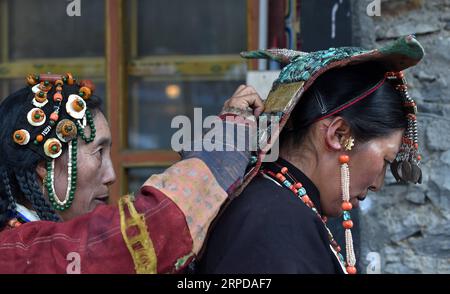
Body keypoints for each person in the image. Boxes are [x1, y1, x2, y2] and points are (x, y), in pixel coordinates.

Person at [196, 35, 425, 274]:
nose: (378, 184)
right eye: (386, 160)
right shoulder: (277, 222)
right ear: (339, 134)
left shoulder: (272, 208)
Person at [0, 73, 264, 273]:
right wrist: (225, 144)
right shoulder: (15, 254)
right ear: (45, 166)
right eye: (98, 152)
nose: (112, 174)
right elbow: (133, 236)